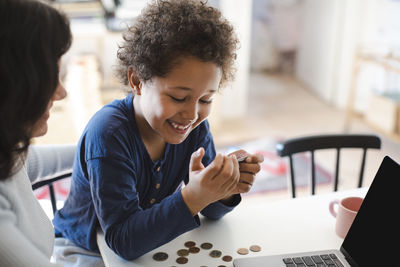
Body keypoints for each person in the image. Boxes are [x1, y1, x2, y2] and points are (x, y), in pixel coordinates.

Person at [53, 0, 264, 262]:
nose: (192, 113)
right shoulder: (108, 133)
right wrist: (191, 198)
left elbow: (208, 209)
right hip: (86, 250)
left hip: (148, 244)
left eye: (206, 99)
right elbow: (123, 241)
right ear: (137, 81)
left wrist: (223, 188)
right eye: (178, 97)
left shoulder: (194, 129)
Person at [0, 0, 74, 266]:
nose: (61, 92)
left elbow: (29, 163)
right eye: (50, 76)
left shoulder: (6, 152)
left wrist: (101, 145)